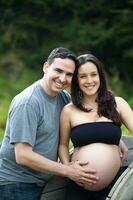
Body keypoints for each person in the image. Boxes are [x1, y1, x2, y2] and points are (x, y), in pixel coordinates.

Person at [0, 48, 99, 200]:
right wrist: (68, 170)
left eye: (69, 74)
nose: (62, 78)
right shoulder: (28, 102)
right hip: (15, 184)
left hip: (42, 182)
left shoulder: (63, 97)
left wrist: (115, 139)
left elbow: (88, 118)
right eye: (58, 70)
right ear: (46, 67)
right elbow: (23, 156)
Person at [59, 53, 132, 200]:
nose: (89, 81)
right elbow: (62, 145)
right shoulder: (69, 110)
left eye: (93, 74)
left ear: (100, 76)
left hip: (115, 188)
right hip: (77, 188)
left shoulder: (117, 103)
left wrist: (116, 139)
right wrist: (69, 169)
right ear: (76, 80)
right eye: (83, 76)